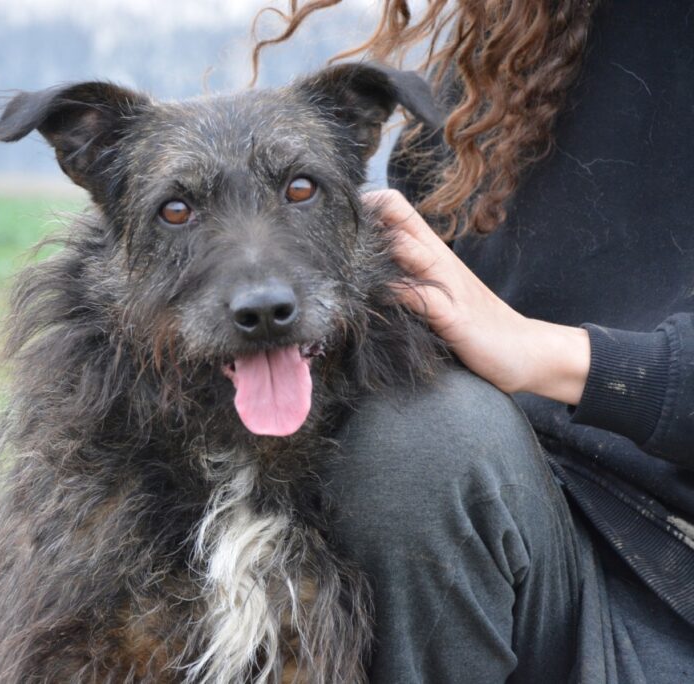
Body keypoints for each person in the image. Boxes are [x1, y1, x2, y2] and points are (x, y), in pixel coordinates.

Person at [254, 1, 694, 682]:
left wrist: (538, 352)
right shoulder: (500, 72)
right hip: (538, 546)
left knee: (425, 439)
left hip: (672, 594)